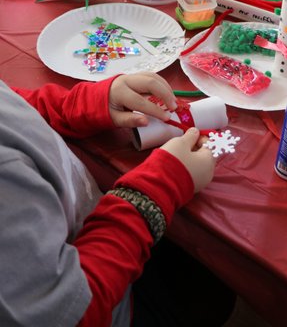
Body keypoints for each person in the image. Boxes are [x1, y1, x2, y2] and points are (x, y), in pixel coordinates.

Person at [0, 71, 236, 326]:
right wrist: (157, 189)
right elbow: (68, 314)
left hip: (92, 228)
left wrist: (81, 105)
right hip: (111, 303)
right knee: (212, 291)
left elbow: (12, 109)